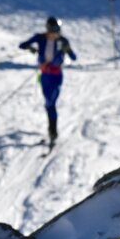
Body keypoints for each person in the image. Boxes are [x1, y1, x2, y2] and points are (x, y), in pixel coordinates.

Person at [18, 16, 76, 150]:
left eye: (57, 31)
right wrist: (31, 48)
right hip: (44, 75)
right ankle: (52, 130)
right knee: (48, 103)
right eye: (52, 31)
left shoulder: (63, 42)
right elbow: (22, 45)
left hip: (56, 76)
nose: (55, 34)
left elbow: (74, 57)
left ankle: (53, 132)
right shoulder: (40, 38)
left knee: (51, 102)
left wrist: (67, 49)